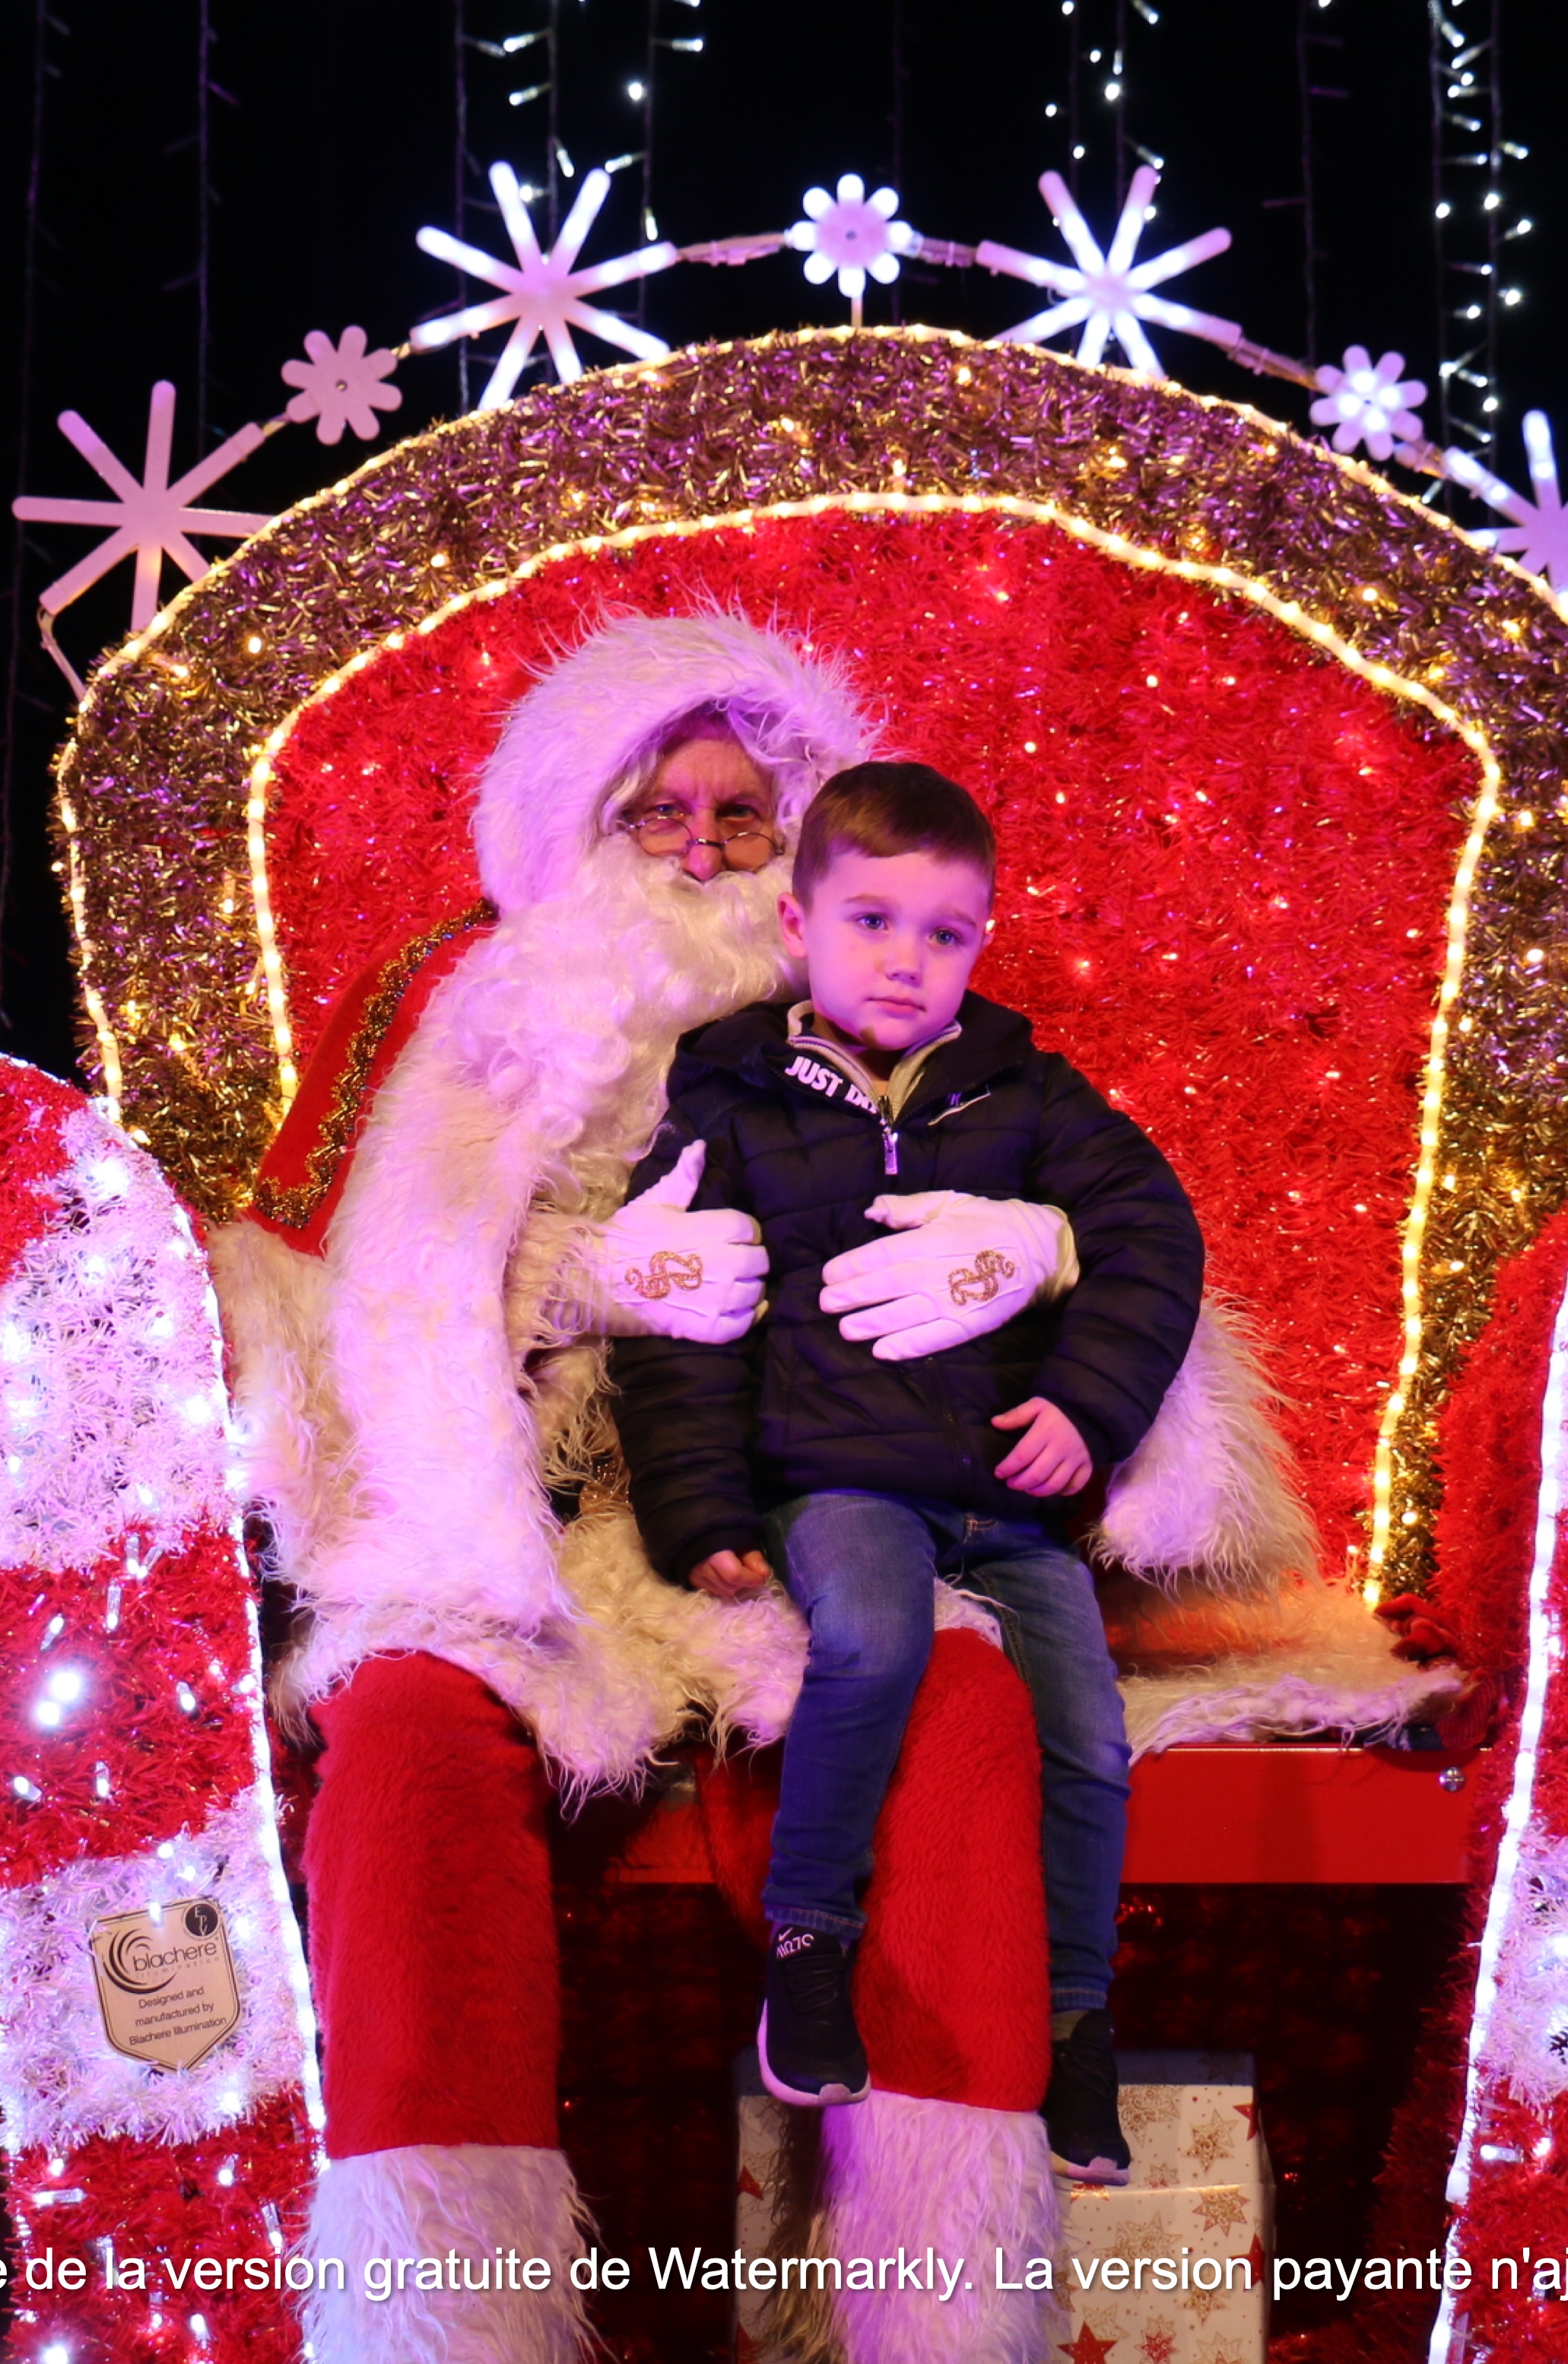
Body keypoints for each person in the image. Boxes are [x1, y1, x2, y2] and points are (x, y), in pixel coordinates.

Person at [206, 614, 1317, 2363]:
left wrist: (1024, 1253)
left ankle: (945, 2320)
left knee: (960, 1705)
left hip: (803, 1511)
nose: (704, 849)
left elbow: (1110, 1221)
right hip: (512, 1540)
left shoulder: (891, 1011)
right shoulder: (460, 1014)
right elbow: (353, 1306)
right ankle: (439, 2323)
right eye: (660, 814)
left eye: (742, 815)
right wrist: (584, 1280)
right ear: (585, 826)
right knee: (408, 1742)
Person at [610, 762, 1198, 2185]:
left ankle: (1076, 2022)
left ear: (980, 941)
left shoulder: (1025, 1089)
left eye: (944, 934)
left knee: (1089, 1739)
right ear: (798, 926)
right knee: (871, 1643)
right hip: (838, 1480)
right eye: (871, 921)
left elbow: (1152, 1235)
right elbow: (681, 1321)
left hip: (1004, 1495)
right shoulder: (729, 1094)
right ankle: (809, 1944)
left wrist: (1088, 1404)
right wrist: (701, 1507)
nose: (906, 960)